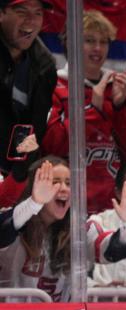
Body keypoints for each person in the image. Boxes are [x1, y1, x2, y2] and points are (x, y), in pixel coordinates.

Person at [43, 9, 126, 216]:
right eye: (89, 40)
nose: (98, 48)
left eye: (104, 41)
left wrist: (118, 108)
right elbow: (52, 147)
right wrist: (93, 110)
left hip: (110, 206)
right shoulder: (53, 85)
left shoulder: (116, 86)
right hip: (63, 203)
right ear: (69, 42)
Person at [0, 156, 126, 301]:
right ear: (33, 188)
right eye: (54, 182)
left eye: (68, 183)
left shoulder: (79, 229)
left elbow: (110, 252)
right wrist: (34, 203)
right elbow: (4, 230)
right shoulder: (15, 219)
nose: (64, 189)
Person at [0, 0, 57, 206]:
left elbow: (35, 127)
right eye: (21, 11)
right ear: (1, 13)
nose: (31, 20)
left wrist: (19, 174)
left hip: (14, 174)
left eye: (38, 13)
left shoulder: (44, 65)